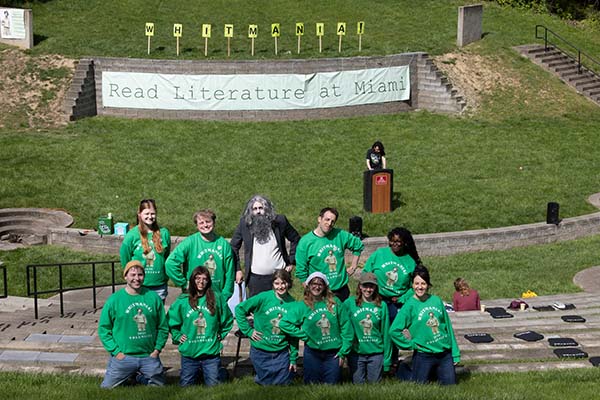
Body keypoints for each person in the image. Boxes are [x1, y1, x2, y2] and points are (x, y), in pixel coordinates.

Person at [98, 260, 168, 388]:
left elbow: (163, 327)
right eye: (133, 275)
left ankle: (138, 377)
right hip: (124, 356)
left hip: (149, 355)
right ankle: (129, 374)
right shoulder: (114, 300)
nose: (137, 278)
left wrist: (157, 350)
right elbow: (104, 329)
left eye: (140, 275)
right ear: (125, 276)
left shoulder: (153, 298)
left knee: (159, 386)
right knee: (107, 388)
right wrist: (116, 352)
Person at [389, 265, 460, 385]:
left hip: (444, 353)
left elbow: (448, 327)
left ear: (428, 284)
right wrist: (410, 345)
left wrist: (455, 353)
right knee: (419, 385)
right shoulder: (409, 305)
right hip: (424, 354)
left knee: (450, 386)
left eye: (423, 283)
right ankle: (402, 369)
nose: (420, 287)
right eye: (416, 283)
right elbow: (393, 331)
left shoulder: (436, 300)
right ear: (412, 285)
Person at [279, 272, 353, 384]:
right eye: (313, 283)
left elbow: (346, 327)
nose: (317, 286)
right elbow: (284, 323)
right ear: (308, 286)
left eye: (320, 284)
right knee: (311, 385)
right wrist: (303, 335)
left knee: (332, 386)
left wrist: (343, 352)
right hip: (313, 352)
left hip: (333, 353)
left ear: (325, 287)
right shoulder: (302, 305)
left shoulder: (335, 302)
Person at [362, 227, 419, 368]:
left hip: (396, 302)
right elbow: (366, 273)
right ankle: (375, 360)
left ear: (404, 242)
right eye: (393, 241)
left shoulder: (410, 261)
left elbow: (416, 285)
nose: (396, 244)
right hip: (377, 298)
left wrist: (402, 298)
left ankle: (392, 362)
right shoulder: (379, 254)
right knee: (376, 329)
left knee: (392, 332)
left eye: (399, 241)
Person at [167, 266, 233, 387]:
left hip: (210, 354)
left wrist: (221, 334)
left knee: (214, 386)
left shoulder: (216, 298)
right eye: (197, 278)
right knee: (186, 386)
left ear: (209, 281)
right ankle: (199, 373)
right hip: (190, 353)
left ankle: (221, 372)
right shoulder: (183, 300)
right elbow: (170, 321)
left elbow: (228, 319)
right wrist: (177, 335)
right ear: (192, 280)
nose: (201, 282)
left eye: (204, 279)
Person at [234, 269, 298, 385]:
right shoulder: (263, 298)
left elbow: (294, 334)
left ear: (289, 283)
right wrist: (248, 331)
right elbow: (239, 309)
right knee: (267, 384)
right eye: (277, 283)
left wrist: (293, 357)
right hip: (261, 350)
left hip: (281, 351)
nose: (280, 287)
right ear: (273, 284)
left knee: (283, 384)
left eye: (283, 283)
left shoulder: (293, 304)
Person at [231, 195, 300, 297]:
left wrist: (291, 261)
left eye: (261, 208)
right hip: (255, 279)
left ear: (267, 209)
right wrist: (238, 269)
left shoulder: (280, 221)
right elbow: (233, 246)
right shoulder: (244, 224)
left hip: (279, 276)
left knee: (279, 308)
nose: (258, 212)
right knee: (257, 310)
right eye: (255, 209)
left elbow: (296, 239)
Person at [295, 207, 364, 301]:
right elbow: (301, 271)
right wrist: (311, 291)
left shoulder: (340, 235)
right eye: (327, 219)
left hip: (341, 289)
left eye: (333, 221)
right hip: (319, 291)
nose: (329, 223)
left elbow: (358, 246)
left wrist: (353, 266)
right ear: (319, 219)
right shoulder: (305, 242)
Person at [165, 209, 235, 301]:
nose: (205, 225)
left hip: (217, 295)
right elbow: (170, 263)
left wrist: (225, 294)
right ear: (197, 225)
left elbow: (230, 273)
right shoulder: (190, 242)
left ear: (214, 222)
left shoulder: (223, 244)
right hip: (194, 295)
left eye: (208, 222)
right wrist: (184, 283)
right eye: (201, 223)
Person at [343, 272, 391, 384]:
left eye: (371, 286)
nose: (368, 289)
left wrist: (387, 360)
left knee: (374, 387)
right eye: (365, 285)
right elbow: (343, 326)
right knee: (358, 386)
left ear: (375, 287)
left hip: (376, 352)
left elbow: (386, 333)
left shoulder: (382, 306)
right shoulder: (349, 303)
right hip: (356, 352)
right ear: (360, 286)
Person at [120, 199, 171, 301]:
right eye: (146, 213)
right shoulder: (132, 235)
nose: (150, 216)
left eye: (152, 213)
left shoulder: (164, 233)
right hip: (139, 284)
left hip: (159, 284)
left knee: (157, 315)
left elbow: (166, 257)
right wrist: (131, 276)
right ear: (139, 214)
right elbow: (125, 258)